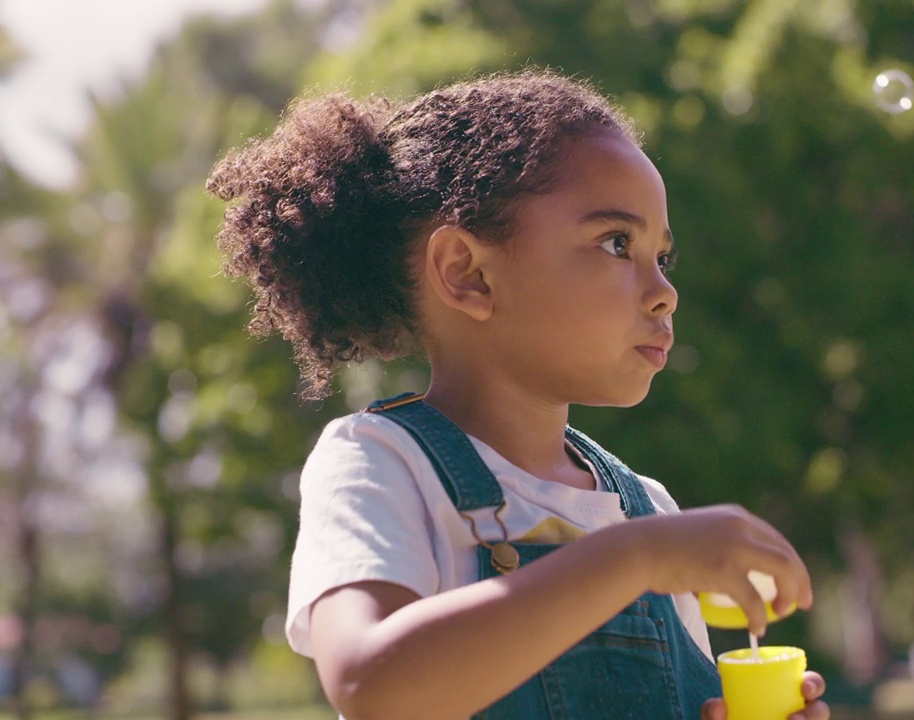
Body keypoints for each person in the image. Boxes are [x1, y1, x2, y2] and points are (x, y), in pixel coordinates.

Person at [207, 69, 829, 720]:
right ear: (467, 274)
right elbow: (373, 687)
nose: (664, 291)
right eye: (618, 244)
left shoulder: (648, 510)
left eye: (662, 258)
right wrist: (634, 558)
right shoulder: (378, 463)